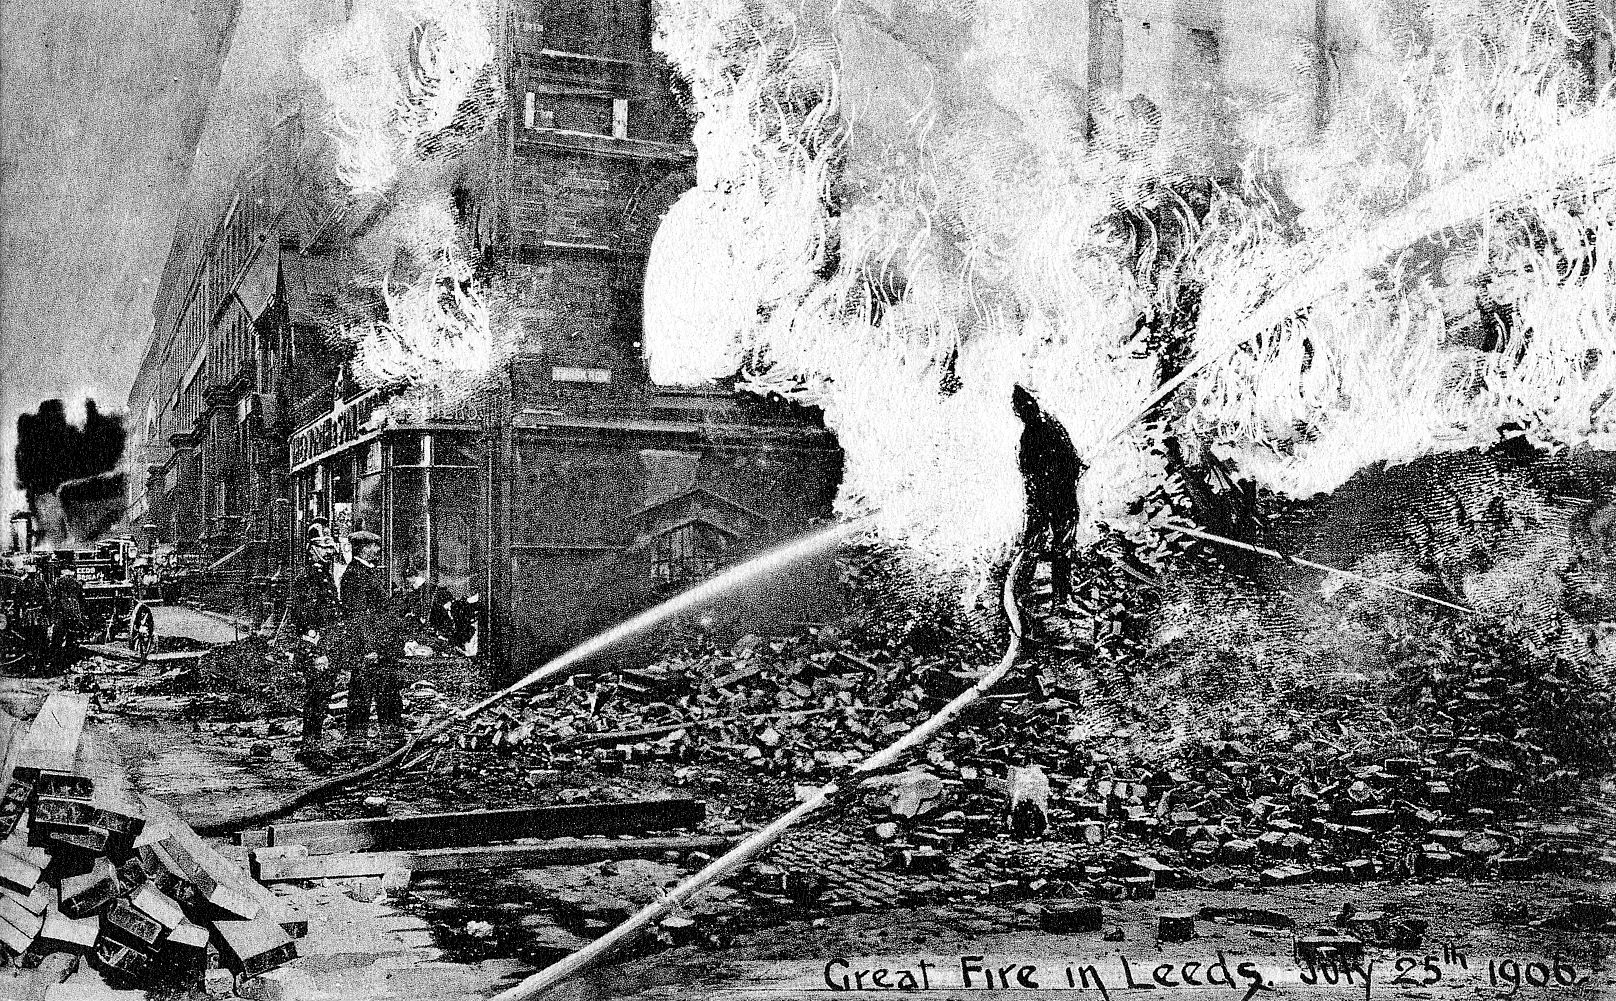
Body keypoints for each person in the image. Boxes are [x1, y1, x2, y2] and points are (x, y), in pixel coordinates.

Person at [287, 522, 344, 767]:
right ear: (311, 549)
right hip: (317, 648)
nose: (329, 551)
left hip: (326, 645)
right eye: (324, 546)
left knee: (322, 697)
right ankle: (310, 749)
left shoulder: (323, 574)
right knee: (316, 698)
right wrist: (316, 653)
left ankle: (313, 746)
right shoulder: (308, 578)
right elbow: (305, 619)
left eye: (331, 546)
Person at [340, 531, 403, 743]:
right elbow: (357, 616)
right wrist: (368, 648)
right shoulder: (355, 575)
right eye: (374, 546)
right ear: (363, 549)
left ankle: (392, 738)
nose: (377, 550)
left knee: (386, 692)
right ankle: (356, 741)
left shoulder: (366, 572)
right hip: (369, 647)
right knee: (362, 694)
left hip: (379, 645)